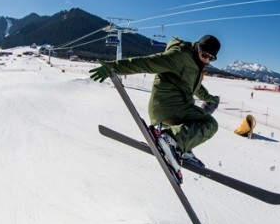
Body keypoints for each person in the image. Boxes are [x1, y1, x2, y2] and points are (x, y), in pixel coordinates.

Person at [90, 35, 221, 170]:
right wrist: (113, 67)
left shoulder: (195, 63)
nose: (207, 60)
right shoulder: (179, 56)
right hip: (169, 107)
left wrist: (210, 98)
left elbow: (195, 86)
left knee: (197, 123)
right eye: (204, 55)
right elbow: (147, 63)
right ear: (198, 47)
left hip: (174, 108)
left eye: (211, 58)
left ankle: (181, 147)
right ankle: (170, 140)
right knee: (210, 124)